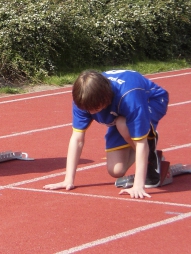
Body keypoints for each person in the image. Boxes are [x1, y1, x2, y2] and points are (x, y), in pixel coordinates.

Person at [44, 70, 169, 199]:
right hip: (119, 112)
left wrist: (138, 185)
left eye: (96, 108)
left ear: (107, 98)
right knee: (117, 170)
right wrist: (68, 179)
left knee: (123, 125)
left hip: (152, 101)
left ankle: (149, 143)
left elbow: (140, 143)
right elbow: (77, 139)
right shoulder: (82, 99)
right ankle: (149, 146)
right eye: (88, 109)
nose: (91, 112)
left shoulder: (130, 97)